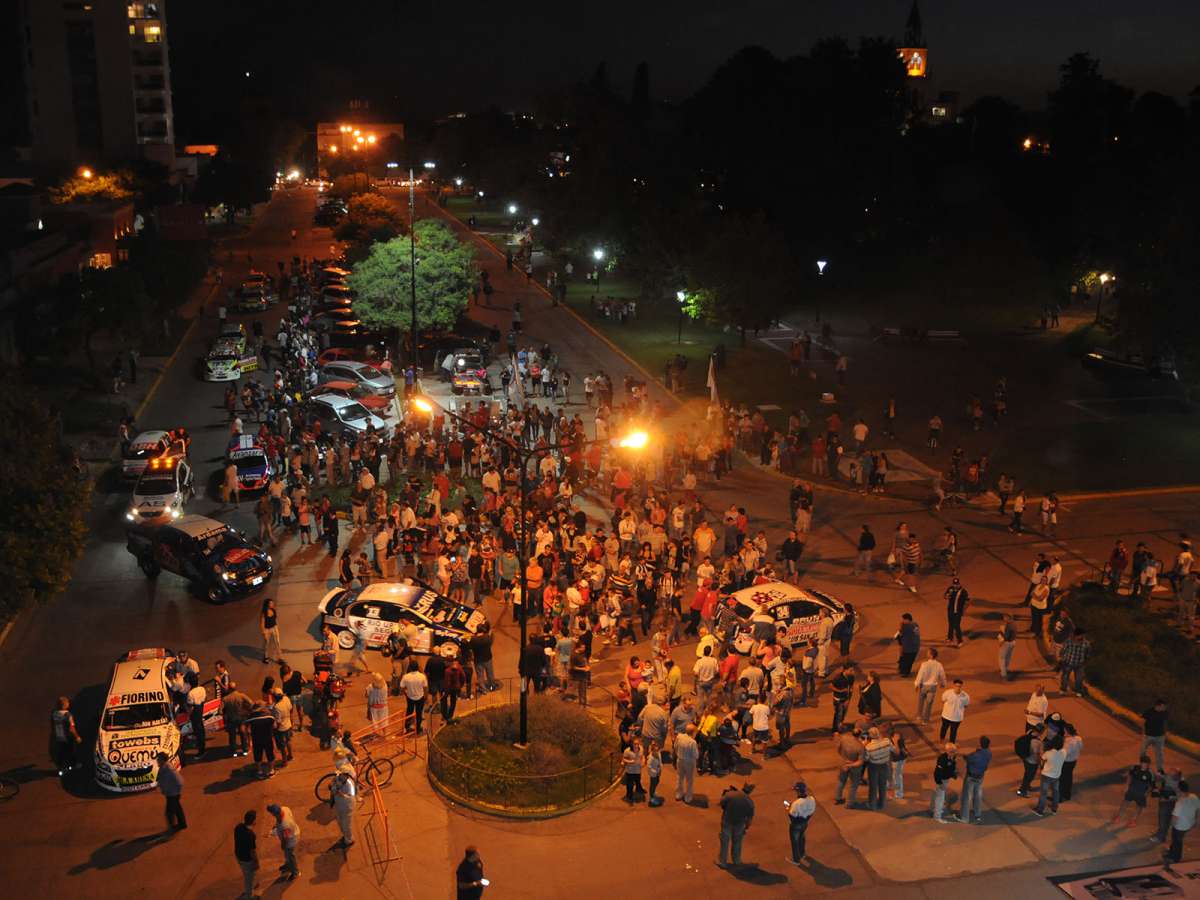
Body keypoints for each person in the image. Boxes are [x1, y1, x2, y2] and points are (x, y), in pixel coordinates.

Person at [1111, 756, 1156, 828]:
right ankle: (1118, 817)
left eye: (1146, 764)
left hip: (1141, 793)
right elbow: (1130, 776)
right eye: (1143, 763)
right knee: (1125, 802)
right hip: (1132, 789)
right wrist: (1126, 786)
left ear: (1148, 764)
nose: (1144, 765)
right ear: (1140, 763)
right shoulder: (1135, 768)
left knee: (1139, 807)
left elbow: (1152, 785)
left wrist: (1147, 793)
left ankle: (1133, 821)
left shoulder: (1150, 773)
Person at [718, 783, 755, 868]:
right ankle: (736, 860)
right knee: (737, 843)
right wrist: (746, 827)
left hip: (727, 821)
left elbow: (722, 802)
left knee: (725, 843)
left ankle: (723, 862)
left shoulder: (731, 794)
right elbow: (749, 818)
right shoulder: (750, 802)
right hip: (739, 824)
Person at [1165, 782, 1199, 865]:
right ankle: (1171, 852)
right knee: (1177, 841)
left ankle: (1175, 858)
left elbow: (1175, 818)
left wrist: (1170, 827)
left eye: (1177, 788)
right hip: (1189, 824)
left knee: (1177, 842)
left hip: (1179, 826)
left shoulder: (1180, 802)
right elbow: (1198, 809)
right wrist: (1197, 821)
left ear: (1179, 789)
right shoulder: (1194, 796)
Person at [960, 736, 991, 824]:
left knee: (966, 797)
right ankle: (977, 814)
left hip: (971, 777)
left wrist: (968, 755)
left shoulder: (976, 755)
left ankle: (964, 817)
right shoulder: (989, 753)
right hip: (980, 776)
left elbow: (969, 758)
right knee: (977, 795)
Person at [1032, 736, 1066, 816]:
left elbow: (1042, 760)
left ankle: (1040, 810)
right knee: (1056, 792)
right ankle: (1054, 808)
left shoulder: (1049, 753)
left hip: (1046, 775)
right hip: (1057, 775)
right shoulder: (1064, 752)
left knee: (1044, 793)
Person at [267, 803, 301, 880]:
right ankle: (288, 865)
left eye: (273, 814)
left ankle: (295, 872)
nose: (272, 815)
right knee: (287, 854)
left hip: (291, 840)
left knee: (290, 855)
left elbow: (286, 839)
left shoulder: (285, 825)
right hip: (293, 831)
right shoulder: (285, 808)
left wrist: (283, 846)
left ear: (276, 814)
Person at [833, 723, 864, 806]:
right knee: (853, 785)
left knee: (841, 781)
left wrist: (844, 760)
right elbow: (860, 761)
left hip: (843, 763)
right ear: (859, 735)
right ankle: (850, 802)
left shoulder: (843, 739)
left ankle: (837, 798)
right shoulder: (860, 746)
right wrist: (851, 764)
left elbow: (838, 749)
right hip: (854, 768)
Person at [50, 696, 82, 776]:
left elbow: (53, 725)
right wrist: (77, 736)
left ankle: (61, 768)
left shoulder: (54, 713)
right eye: (68, 703)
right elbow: (71, 728)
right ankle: (72, 767)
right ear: (65, 705)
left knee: (61, 752)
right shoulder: (68, 715)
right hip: (67, 737)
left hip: (58, 737)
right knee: (70, 752)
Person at [787, 781, 816, 866]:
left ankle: (796, 860)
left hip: (796, 824)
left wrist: (788, 808)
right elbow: (812, 811)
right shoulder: (812, 799)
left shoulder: (796, 804)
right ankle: (802, 854)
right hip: (805, 823)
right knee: (802, 837)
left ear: (798, 791)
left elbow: (792, 815)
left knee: (795, 840)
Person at [913, 648, 946, 725]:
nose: (927, 654)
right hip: (932, 687)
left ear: (931, 655)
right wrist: (943, 683)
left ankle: (919, 716)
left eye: (928, 653)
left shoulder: (924, 664)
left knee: (921, 701)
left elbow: (920, 675)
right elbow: (942, 675)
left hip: (924, 686)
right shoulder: (939, 665)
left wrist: (916, 684)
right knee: (929, 703)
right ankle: (925, 720)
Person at [155, 752, 186, 831]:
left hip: (172, 794)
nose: (157, 761)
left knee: (169, 812)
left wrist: (175, 791)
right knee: (177, 809)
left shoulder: (167, 769)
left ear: (163, 760)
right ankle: (182, 824)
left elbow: (177, 781)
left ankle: (172, 827)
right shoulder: (165, 767)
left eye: (159, 759)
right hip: (173, 793)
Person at [864, 727, 893, 811]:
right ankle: (882, 804)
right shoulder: (887, 741)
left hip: (874, 767)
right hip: (884, 765)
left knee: (873, 787)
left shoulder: (869, 747)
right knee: (882, 786)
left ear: (870, 736)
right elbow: (892, 749)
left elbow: (866, 758)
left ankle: (872, 805)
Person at [234, 810, 259, 900]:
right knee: (249, 878)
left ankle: (250, 887)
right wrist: (256, 863)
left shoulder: (238, 827)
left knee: (247, 874)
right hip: (247, 860)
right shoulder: (250, 835)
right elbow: (252, 852)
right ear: (253, 822)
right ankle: (249, 896)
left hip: (238, 855)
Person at [931, 743, 958, 823]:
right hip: (942, 780)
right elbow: (937, 772)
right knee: (940, 798)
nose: (954, 753)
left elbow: (950, 768)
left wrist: (953, 774)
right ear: (947, 751)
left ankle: (933, 809)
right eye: (952, 751)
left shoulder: (952, 758)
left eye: (954, 751)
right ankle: (937, 816)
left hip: (945, 779)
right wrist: (939, 782)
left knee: (936, 794)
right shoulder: (942, 759)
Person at [1140, 700, 1168, 773]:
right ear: (1158, 706)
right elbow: (1142, 721)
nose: (1165, 708)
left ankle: (1160, 769)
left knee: (1160, 753)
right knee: (1143, 751)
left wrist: (1165, 733)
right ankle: (1143, 766)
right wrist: (1143, 733)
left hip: (1160, 736)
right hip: (1148, 736)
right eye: (1163, 706)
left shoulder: (1164, 712)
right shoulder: (1149, 711)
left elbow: (1165, 722)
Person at [400, 659, 428, 734]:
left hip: (410, 697)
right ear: (418, 667)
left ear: (410, 667)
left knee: (409, 711)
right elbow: (425, 687)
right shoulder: (422, 676)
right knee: (419, 713)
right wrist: (426, 696)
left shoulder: (406, 677)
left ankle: (407, 726)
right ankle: (418, 728)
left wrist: (406, 694)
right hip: (420, 697)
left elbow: (402, 687)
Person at [331, 768, 356, 848]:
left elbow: (350, 797)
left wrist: (340, 794)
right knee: (340, 822)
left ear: (347, 776)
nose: (339, 776)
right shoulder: (337, 778)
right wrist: (333, 786)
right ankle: (345, 835)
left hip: (347, 807)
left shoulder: (350, 785)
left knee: (346, 825)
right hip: (339, 805)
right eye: (340, 774)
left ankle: (349, 840)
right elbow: (332, 786)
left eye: (342, 774)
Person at [674, 723, 700, 802]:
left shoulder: (679, 737)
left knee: (680, 777)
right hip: (689, 762)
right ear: (693, 732)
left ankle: (678, 794)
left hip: (680, 760)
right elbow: (696, 755)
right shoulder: (692, 742)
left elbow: (675, 747)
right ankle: (688, 797)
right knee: (689, 780)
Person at [1061, 724, 1083, 801]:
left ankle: (1062, 795)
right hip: (1073, 761)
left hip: (1066, 762)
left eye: (1064, 731)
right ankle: (1066, 794)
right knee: (1068, 778)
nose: (1064, 733)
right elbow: (1081, 747)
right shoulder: (1078, 738)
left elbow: (1064, 753)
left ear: (1067, 731)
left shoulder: (1069, 742)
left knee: (1063, 779)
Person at [944, 579, 969, 647]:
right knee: (950, 624)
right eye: (954, 584)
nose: (955, 585)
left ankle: (960, 641)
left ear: (959, 584)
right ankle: (950, 637)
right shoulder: (950, 589)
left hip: (958, 612)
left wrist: (964, 610)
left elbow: (967, 602)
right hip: (950, 610)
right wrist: (948, 595)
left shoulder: (963, 592)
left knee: (957, 626)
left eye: (957, 584)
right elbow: (945, 596)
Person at [260, 598, 281, 664]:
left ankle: (279, 658)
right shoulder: (264, 613)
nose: (273, 604)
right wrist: (263, 632)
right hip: (267, 629)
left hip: (274, 628)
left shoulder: (273, 610)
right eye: (271, 603)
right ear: (267, 605)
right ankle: (265, 657)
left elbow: (275, 619)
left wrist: (277, 627)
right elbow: (262, 623)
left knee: (277, 642)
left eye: (272, 603)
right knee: (266, 644)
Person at [997, 614, 1017, 680]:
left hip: (1007, 643)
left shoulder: (1009, 626)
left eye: (1005, 617)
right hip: (1013, 642)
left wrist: (1002, 631)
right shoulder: (1014, 624)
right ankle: (1005, 669)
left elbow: (1006, 637)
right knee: (1008, 656)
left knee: (1002, 658)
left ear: (1009, 618)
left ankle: (1003, 674)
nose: (1004, 619)